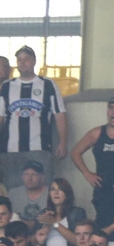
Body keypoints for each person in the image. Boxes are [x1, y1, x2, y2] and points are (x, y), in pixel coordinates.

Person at [0, 46, 67, 189]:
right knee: (13, 190)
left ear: (34, 61)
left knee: (42, 189)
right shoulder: (6, 86)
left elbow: (59, 114)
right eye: (19, 60)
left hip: (40, 148)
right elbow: (1, 117)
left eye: (26, 59)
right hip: (11, 150)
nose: (23, 63)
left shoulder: (48, 84)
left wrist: (63, 141)